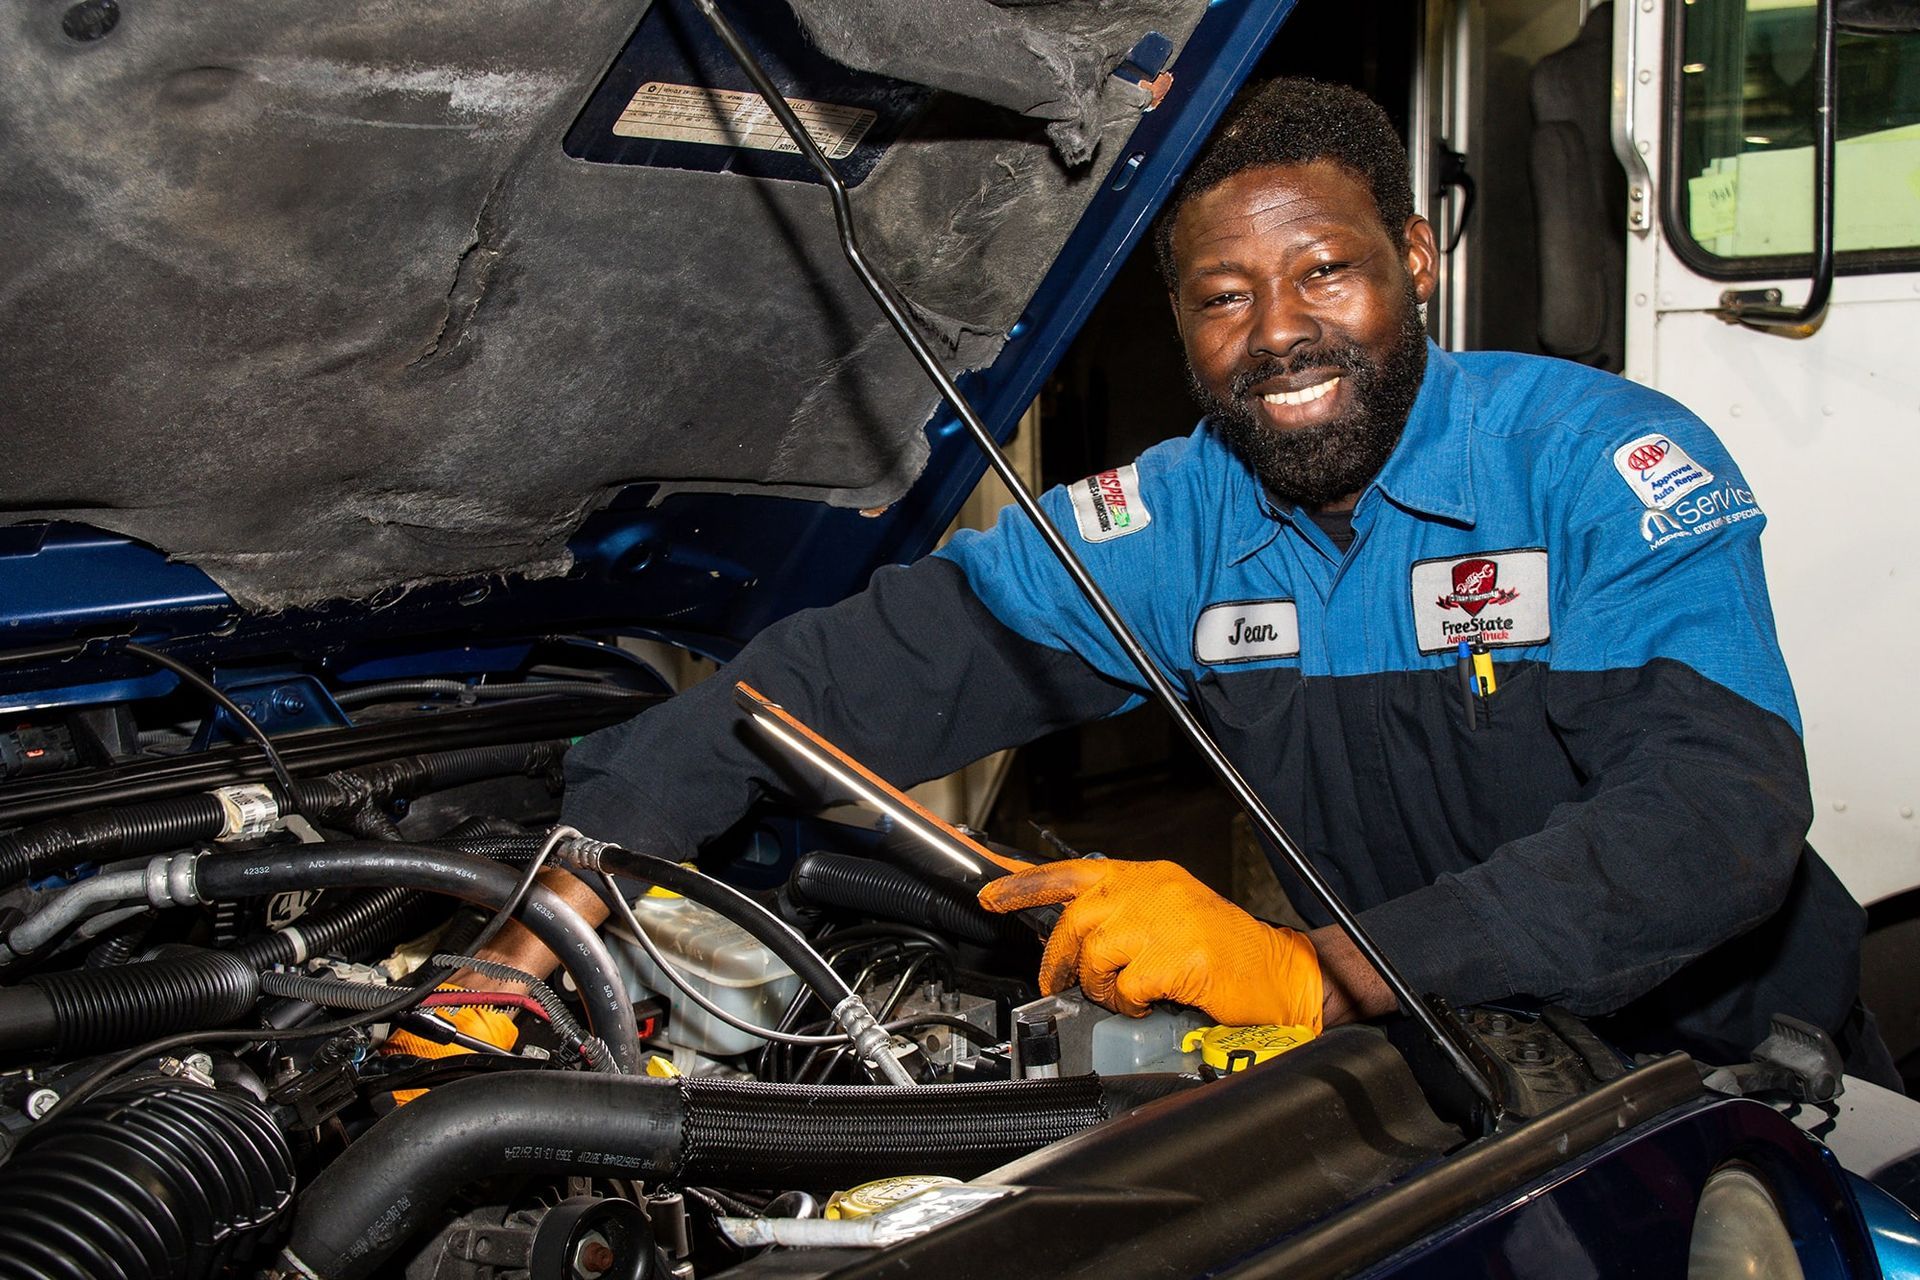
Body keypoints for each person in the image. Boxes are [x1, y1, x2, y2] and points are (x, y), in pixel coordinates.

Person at [565, 78, 1890, 1076]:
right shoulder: (1180, 518)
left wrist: (1316, 970)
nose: (1281, 334)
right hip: (1434, 1065)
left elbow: (1710, 824)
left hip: (1725, 1069)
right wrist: (576, 871)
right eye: (1223, 296)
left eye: (1326, 271)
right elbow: (841, 679)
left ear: (1416, 266)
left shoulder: (1593, 463)